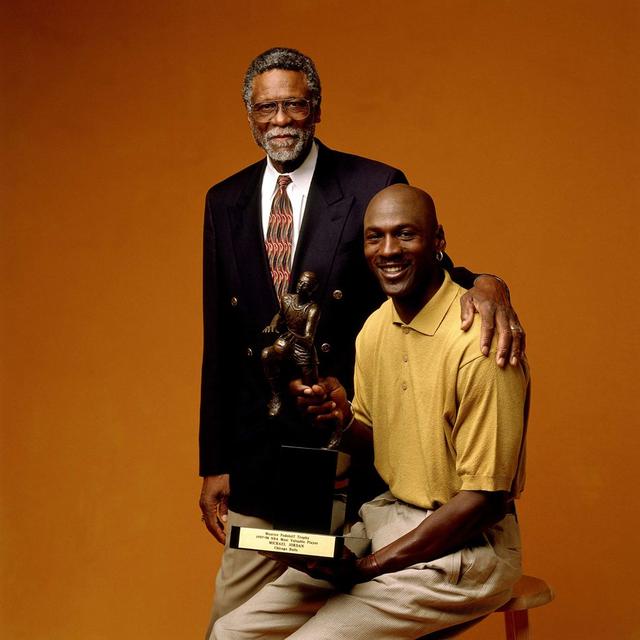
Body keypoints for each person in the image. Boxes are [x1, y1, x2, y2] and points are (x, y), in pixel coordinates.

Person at [198, 47, 526, 630]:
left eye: (294, 105)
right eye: (266, 108)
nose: (281, 120)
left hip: (356, 464)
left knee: (343, 614)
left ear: (317, 108)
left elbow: (423, 265)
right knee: (232, 623)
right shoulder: (225, 201)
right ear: (249, 115)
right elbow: (221, 340)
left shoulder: (372, 183)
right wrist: (214, 461)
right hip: (262, 454)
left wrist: (490, 285)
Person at [262, 271, 321, 417]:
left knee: (310, 389)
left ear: (312, 289)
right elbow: (280, 315)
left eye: (306, 285)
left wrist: (295, 336)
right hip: (287, 341)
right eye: (300, 282)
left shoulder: (312, 309)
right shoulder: (287, 299)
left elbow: (309, 339)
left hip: (303, 347)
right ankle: (276, 395)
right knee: (266, 354)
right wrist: (273, 325)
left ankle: (310, 416)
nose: (300, 286)